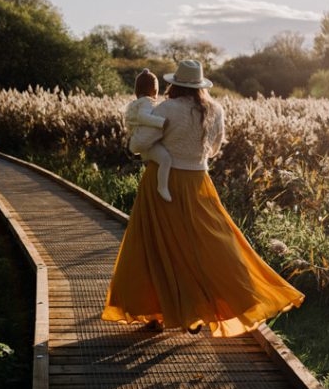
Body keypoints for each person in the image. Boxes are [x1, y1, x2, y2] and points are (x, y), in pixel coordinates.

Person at [102, 59, 305, 338]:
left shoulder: (166, 108)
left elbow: (140, 145)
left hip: (165, 181)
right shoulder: (216, 110)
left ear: (175, 84)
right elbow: (214, 149)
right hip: (198, 181)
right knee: (208, 241)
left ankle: (160, 312)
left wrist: (142, 140)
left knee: (157, 245)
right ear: (200, 85)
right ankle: (210, 306)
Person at [124, 69, 172, 201]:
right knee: (166, 159)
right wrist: (162, 122)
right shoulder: (147, 102)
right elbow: (142, 117)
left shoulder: (134, 104)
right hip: (142, 141)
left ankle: (158, 185)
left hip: (137, 142)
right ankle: (162, 187)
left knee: (158, 159)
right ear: (155, 91)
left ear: (136, 91)